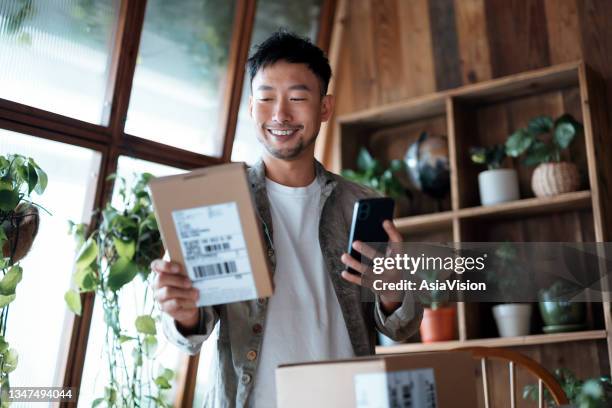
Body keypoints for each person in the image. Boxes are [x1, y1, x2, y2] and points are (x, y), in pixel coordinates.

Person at [151, 30, 423, 408]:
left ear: (324, 108)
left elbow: (401, 327)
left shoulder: (360, 203)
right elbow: (189, 334)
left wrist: (393, 292)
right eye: (266, 98)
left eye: (297, 98)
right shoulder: (215, 203)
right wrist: (183, 313)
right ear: (250, 106)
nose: (280, 114)